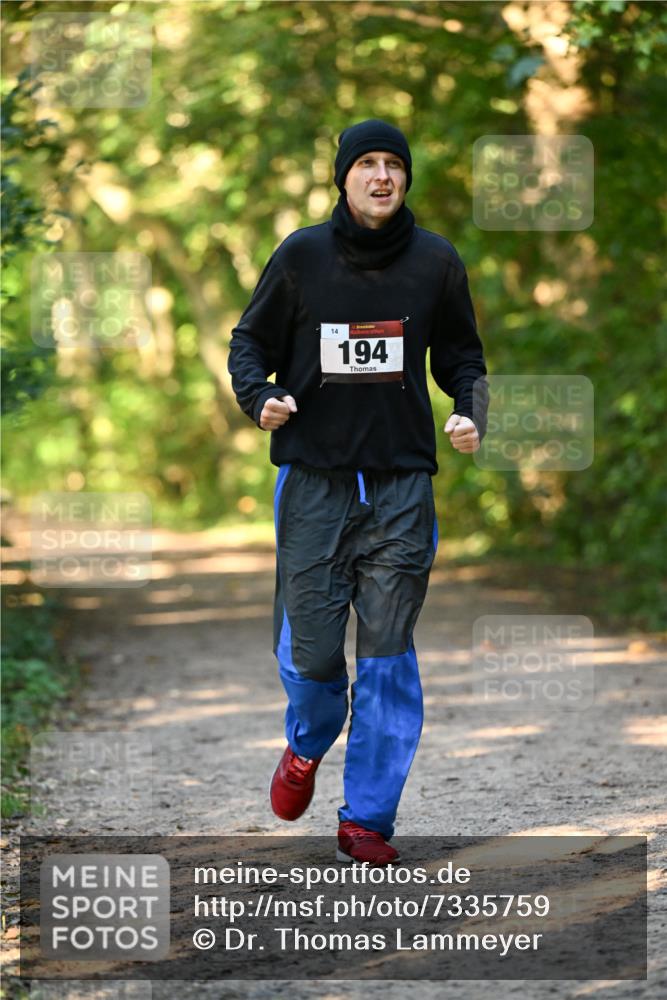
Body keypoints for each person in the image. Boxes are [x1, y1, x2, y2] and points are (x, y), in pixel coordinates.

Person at [228, 119, 488, 865]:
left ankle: (366, 817)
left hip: (402, 484)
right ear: (342, 178)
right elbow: (248, 342)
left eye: (393, 165)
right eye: (366, 164)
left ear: (406, 178)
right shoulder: (302, 255)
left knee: (386, 653)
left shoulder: (435, 261)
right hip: (313, 482)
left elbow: (462, 355)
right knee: (311, 660)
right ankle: (306, 743)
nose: (381, 176)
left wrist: (470, 409)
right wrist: (260, 396)